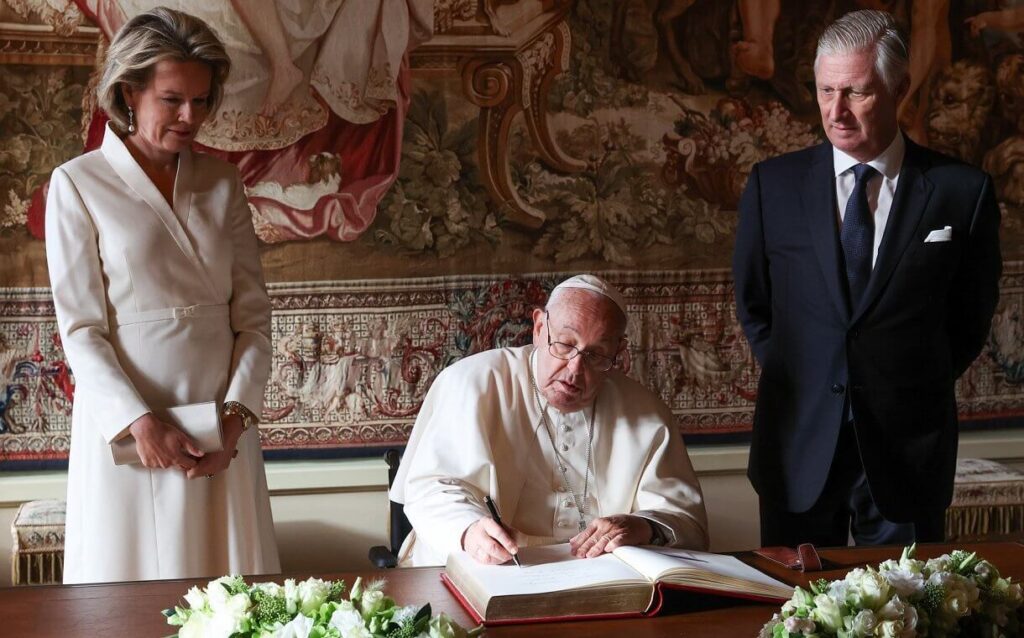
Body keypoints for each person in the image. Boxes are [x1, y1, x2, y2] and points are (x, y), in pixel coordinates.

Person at [733, 9, 1002, 547]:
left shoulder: (960, 192)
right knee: (796, 623)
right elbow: (754, 305)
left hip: (909, 453)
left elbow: (969, 320)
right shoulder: (772, 186)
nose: (836, 111)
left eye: (856, 92)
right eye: (825, 90)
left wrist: (902, 379)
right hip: (797, 448)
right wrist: (811, 375)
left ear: (899, 88)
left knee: (909, 625)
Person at [45, 7, 279, 583]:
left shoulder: (223, 184)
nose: (190, 116)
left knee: (230, 591)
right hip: (130, 427)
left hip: (221, 423)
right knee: (128, 592)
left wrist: (236, 418)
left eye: (201, 101)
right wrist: (138, 424)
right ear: (130, 91)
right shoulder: (77, 184)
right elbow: (81, 329)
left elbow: (252, 317)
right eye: (172, 99)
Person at [390, 274, 709, 567]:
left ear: (617, 352)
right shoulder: (472, 382)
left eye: (596, 355)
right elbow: (430, 487)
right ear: (539, 327)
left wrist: (644, 526)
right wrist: (468, 530)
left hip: (599, 579)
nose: (574, 370)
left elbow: (687, 522)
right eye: (566, 345)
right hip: (488, 568)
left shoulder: (646, 412)